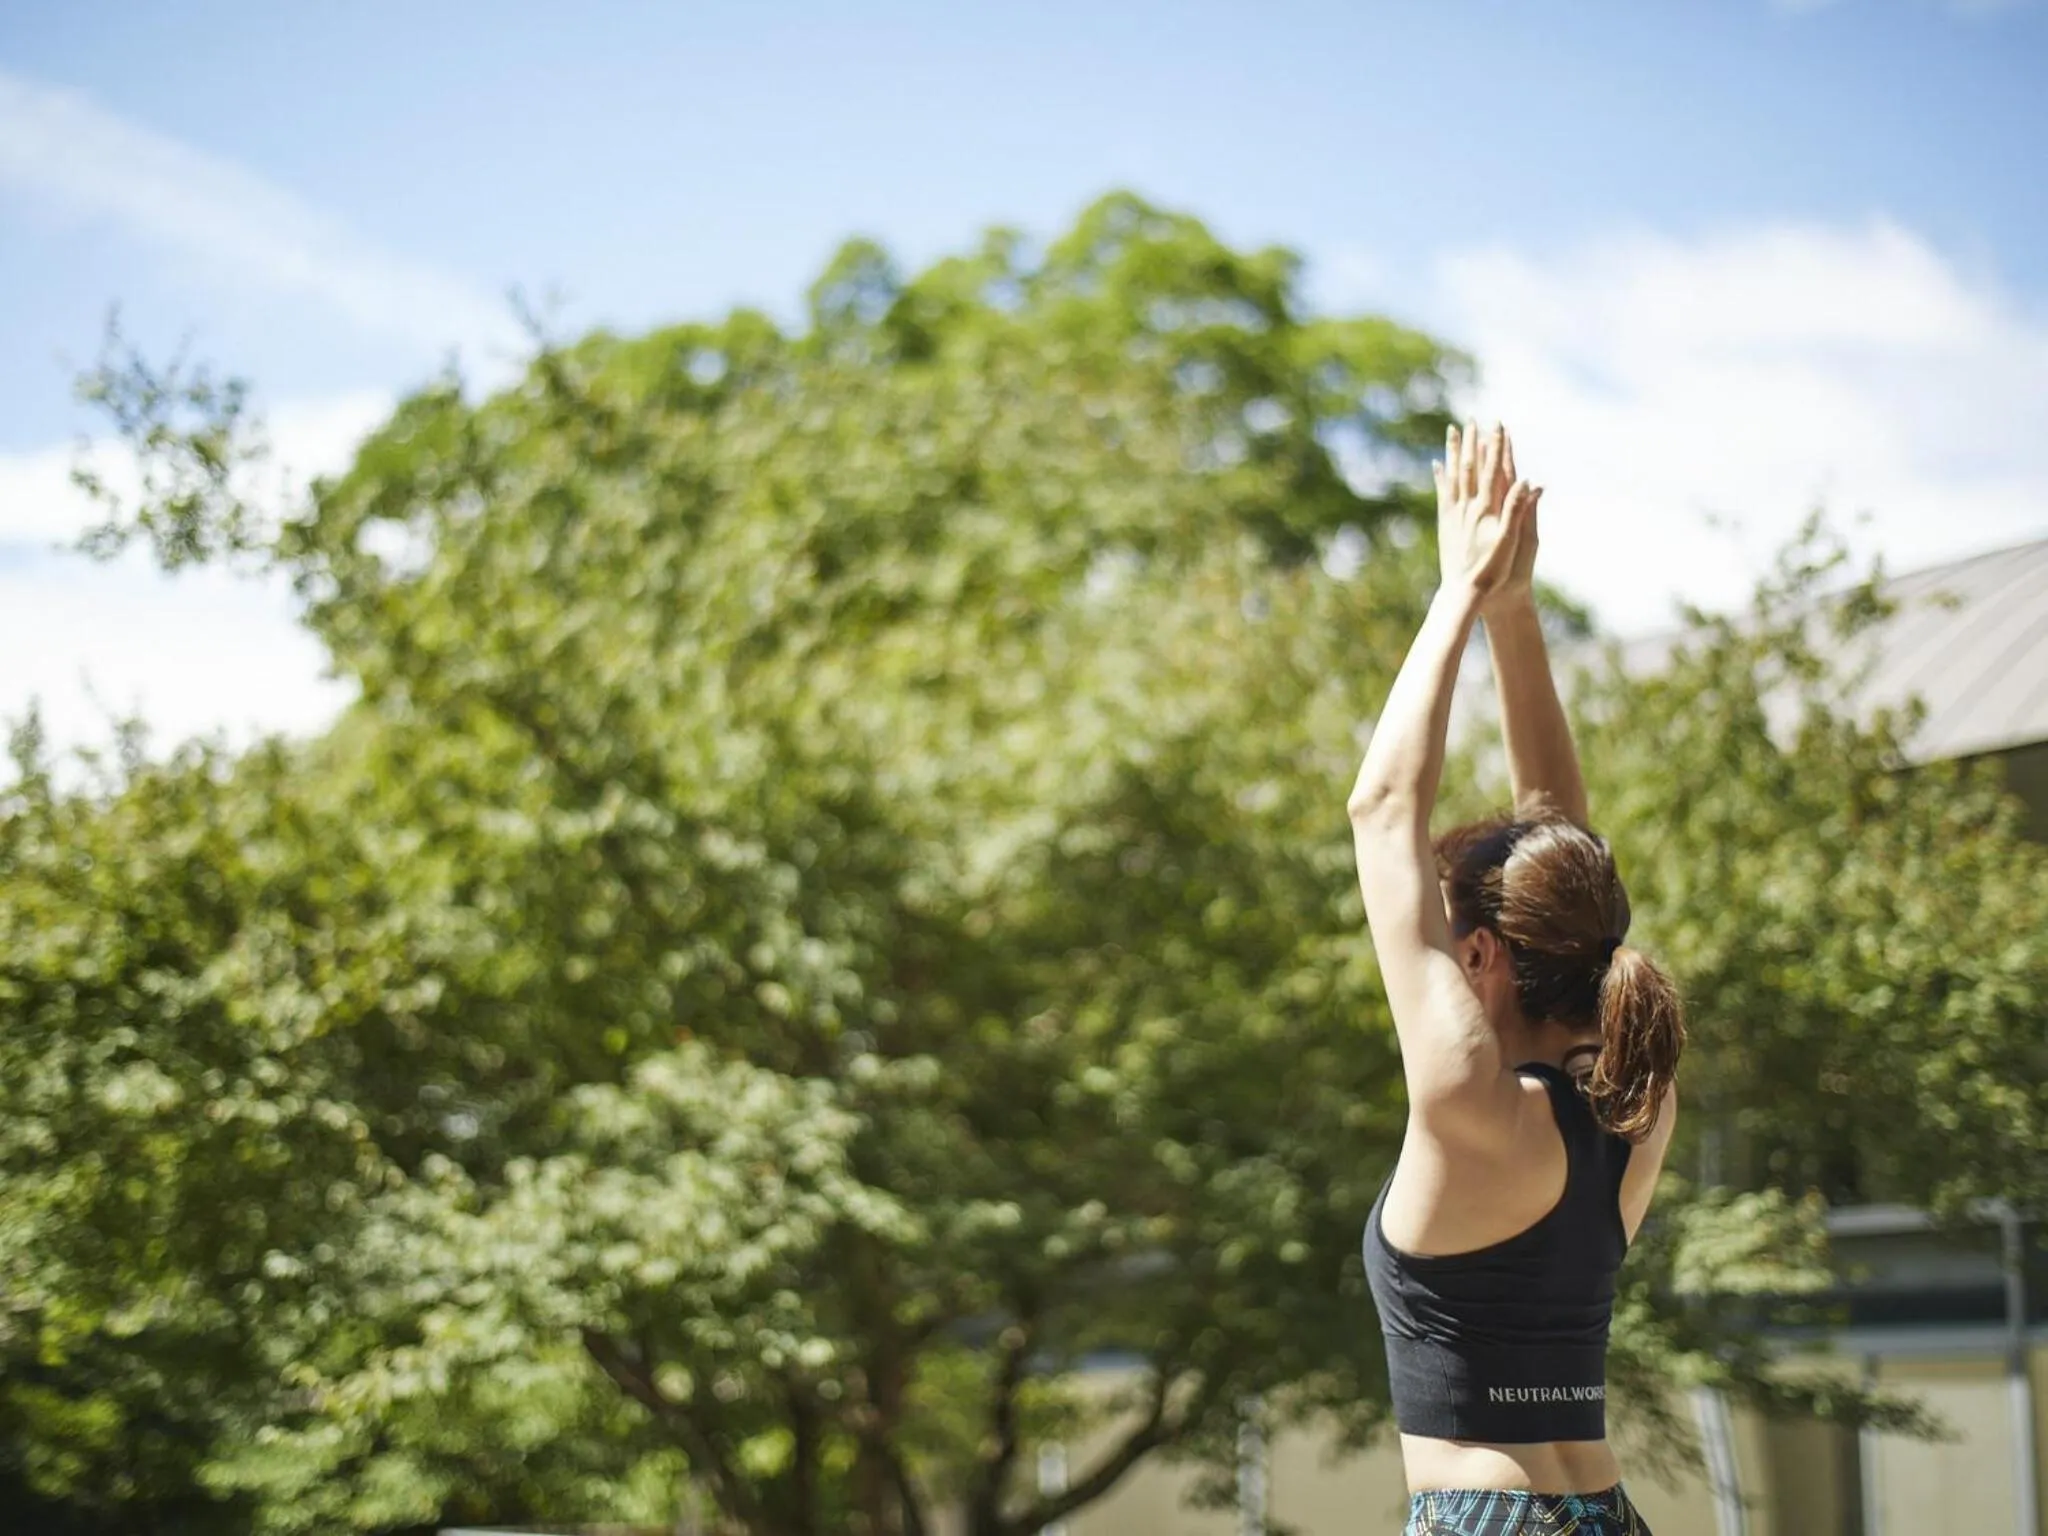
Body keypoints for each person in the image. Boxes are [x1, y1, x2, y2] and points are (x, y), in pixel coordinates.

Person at [1346, 423, 1685, 1536]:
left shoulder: (1465, 1096)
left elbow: (1381, 811)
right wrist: (1514, 613)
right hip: (1603, 1507)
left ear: (1481, 955)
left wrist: (1458, 591)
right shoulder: (1634, 1106)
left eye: (1449, 935)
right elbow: (1565, 858)